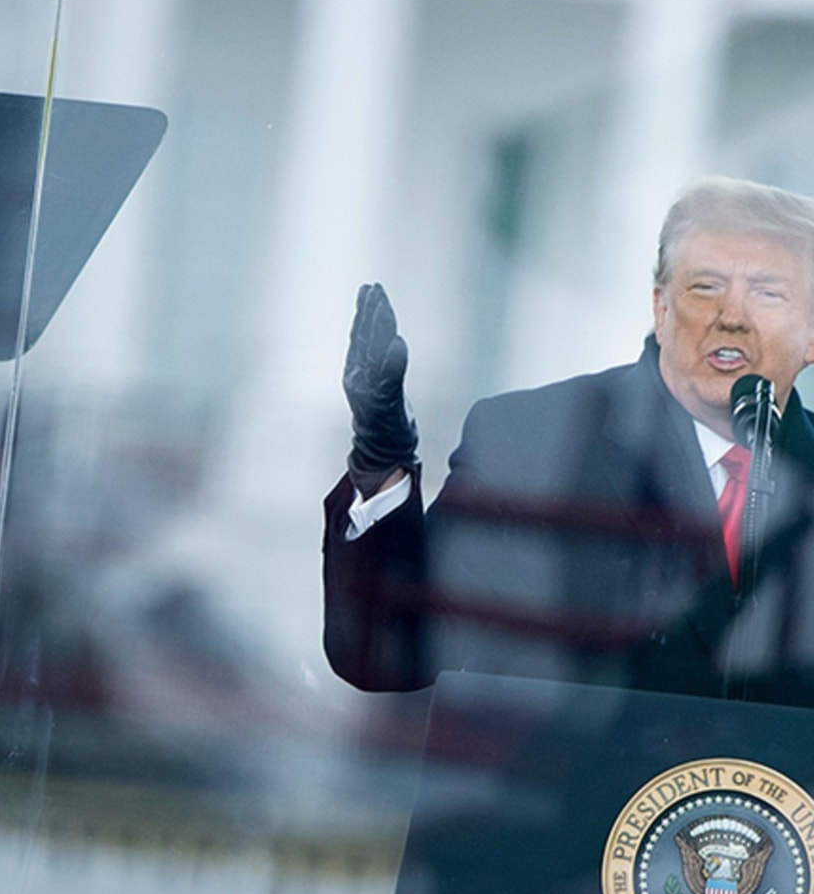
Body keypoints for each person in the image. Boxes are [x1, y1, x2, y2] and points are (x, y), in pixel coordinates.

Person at [325, 176, 814, 704]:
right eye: (706, 286)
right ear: (661, 309)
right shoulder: (531, 440)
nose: (733, 317)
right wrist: (381, 462)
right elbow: (396, 655)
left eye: (768, 292)